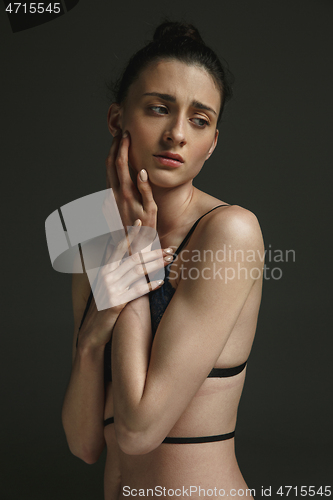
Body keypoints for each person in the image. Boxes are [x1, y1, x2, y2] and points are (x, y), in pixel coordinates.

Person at [62, 21, 264, 500]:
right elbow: (85, 443)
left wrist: (137, 249)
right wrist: (93, 337)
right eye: (158, 109)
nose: (176, 134)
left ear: (213, 141)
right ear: (118, 120)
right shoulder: (92, 237)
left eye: (199, 120)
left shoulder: (230, 232)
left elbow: (137, 430)